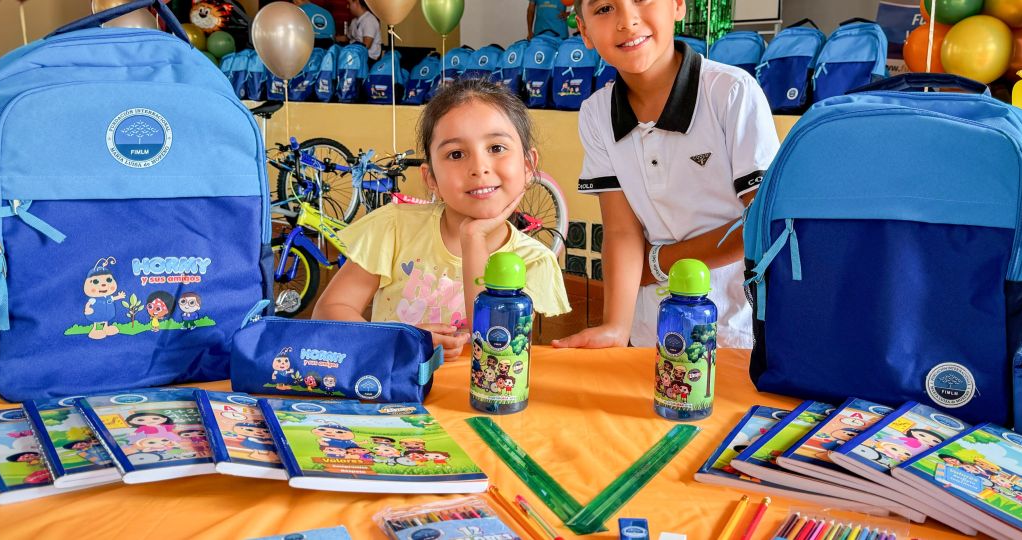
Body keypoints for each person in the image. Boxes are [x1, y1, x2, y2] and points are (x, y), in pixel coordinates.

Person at [552, 0, 779, 350]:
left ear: (677, 5)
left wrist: (657, 263)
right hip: (651, 330)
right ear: (584, 32)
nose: (627, 21)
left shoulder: (731, 92)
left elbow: (761, 224)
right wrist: (615, 327)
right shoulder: (596, 113)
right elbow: (621, 229)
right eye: (604, 9)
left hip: (735, 330)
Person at [314, 78, 571, 359]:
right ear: (431, 178)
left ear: (528, 165)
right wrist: (399, 341)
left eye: (496, 148)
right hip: (395, 392)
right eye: (456, 154)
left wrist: (473, 238)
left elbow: (494, 349)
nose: (479, 168)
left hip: (478, 400)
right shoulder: (394, 227)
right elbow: (328, 312)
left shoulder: (533, 260)